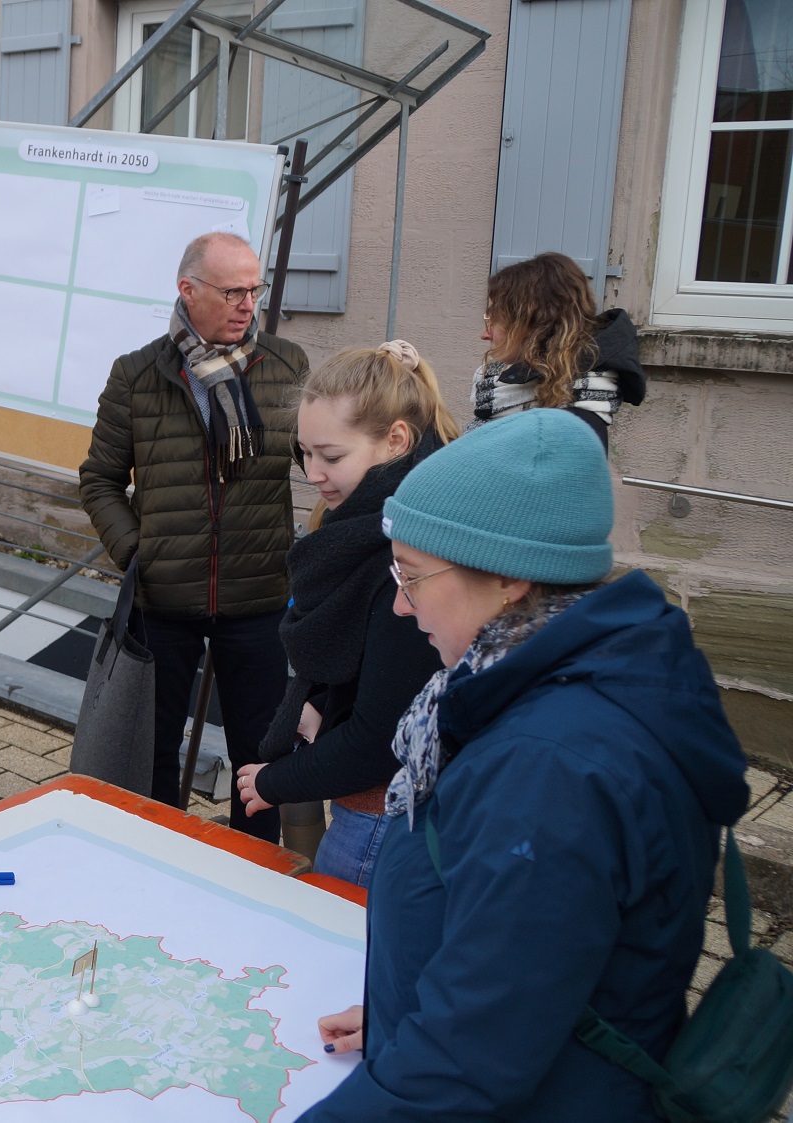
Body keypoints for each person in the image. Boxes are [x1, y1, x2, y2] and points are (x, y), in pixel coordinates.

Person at [305, 408, 749, 1120]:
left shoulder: (550, 770)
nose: (398, 601)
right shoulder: (550, 679)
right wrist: (402, 1010)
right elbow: (518, 960)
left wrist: (426, 1039)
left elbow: (467, 1061)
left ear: (510, 578)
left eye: (413, 575)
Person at [79, 231, 306, 841]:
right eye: (234, 290)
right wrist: (138, 554)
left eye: (254, 290)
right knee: (151, 756)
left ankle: (250, 873)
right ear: (188, 290)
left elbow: (327, 459)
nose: (247, 304)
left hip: (258, 602)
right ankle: (156, 861)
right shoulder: (137, 375)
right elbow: (99, 480)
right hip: (165, 602)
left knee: (259, 759)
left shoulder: (288, 367)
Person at [232, 341, 456, 886]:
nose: (313, 473)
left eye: (331, 456)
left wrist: (276, 781)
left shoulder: (403, 553)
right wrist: (322, 707)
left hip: (383, 815)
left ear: (395, 441)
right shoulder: (362, 521)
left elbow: (383, 733)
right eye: (304, 452)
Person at [473, 250, 645, 450]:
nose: (485, 334)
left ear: (533, 325)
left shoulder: (571, 427)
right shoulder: (507, 398)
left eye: (493, 318)